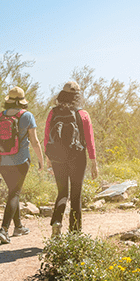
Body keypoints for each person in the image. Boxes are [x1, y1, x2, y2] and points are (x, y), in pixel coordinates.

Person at [43, 80, 98, 236]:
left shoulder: (53, 113)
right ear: (77, 97)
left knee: (62, 192)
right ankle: (74, 233)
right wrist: (94, 162)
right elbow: (89, 140)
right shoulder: (83, 114)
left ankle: (56, 222)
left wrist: (49, 157)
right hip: (78, 157)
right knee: (76, 195)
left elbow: (47, 136)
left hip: (57, 158)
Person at [0, 86, 45, 244]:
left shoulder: (0, 116)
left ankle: (19, 227)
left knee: (12, 192)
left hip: (2, 161)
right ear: (22, 101)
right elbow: (35, 142)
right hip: (21, 161)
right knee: (14, 194)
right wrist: (41, 160)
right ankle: (3, 229)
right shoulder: (27, 116)